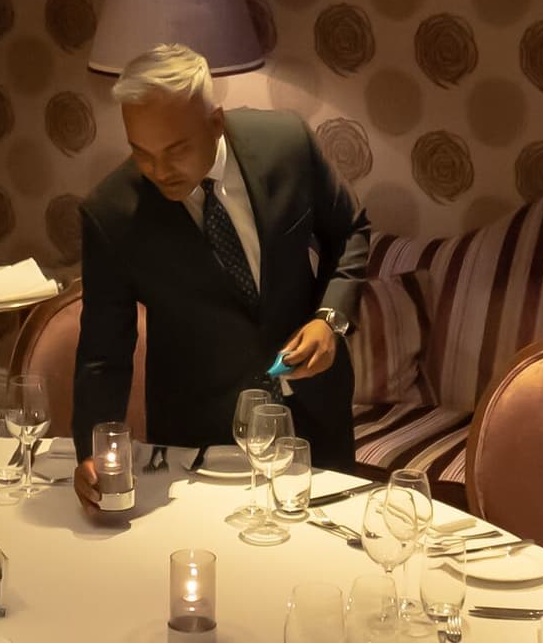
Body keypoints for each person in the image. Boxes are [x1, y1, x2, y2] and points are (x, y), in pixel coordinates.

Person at [71, 41, 373, 505]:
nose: (159, 170)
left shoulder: (286, 143)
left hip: (314, 409)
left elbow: (349, 231)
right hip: (198, 436)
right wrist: (93, 453)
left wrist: (329, 320)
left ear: (216, 122)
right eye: (141, 152)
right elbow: (103, 353)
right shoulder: (111, 214)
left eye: (175, 149)